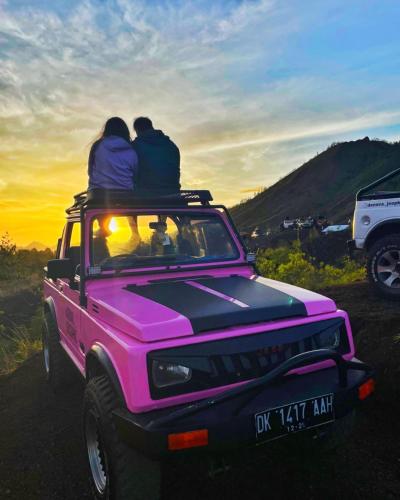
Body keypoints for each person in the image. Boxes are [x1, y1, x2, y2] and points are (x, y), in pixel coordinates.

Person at [132, 117, 180, 194]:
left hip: (147, 196)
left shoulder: (135, 146)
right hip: (173, 193)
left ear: (137, 130)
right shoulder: (171, 145)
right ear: (151, 127)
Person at [88, 117, 138, 191]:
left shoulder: (98, 145)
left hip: (98, 193)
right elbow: (135, 174)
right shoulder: (131, 149)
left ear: (107, 130)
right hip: (126, 193)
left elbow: (90, 171)